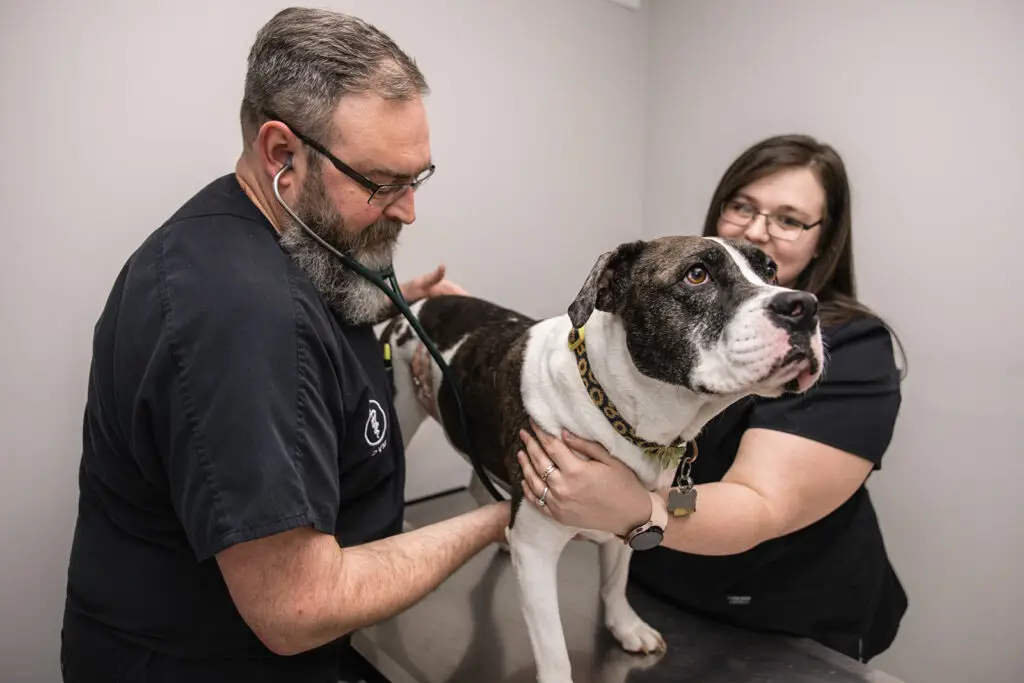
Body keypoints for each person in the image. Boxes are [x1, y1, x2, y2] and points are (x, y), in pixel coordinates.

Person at [59, 8, 507, 683]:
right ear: (281, 155)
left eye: (419, 178)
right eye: (383, 182)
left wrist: (387, 303)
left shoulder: (277, 242)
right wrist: (505, 515)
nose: (409, 209)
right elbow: (298, 605)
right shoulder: (238, 312)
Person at [511, 134, 908, 663]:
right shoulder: (665, 319)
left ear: (824, 239)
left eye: (789, 219)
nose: (758, 229)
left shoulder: (854, 346)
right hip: (658, 596)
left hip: (785, 625)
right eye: (742, 206)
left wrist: (627, 507)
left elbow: (760, 504)